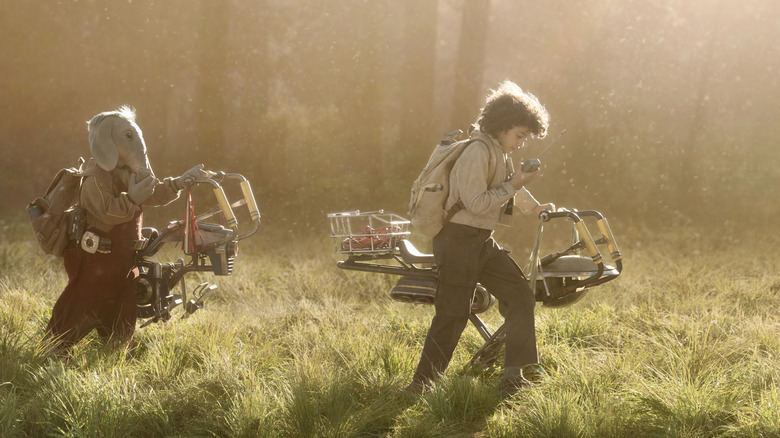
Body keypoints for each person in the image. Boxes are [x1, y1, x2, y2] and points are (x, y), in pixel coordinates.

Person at [406, 81, 555, 395]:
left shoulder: (497, 151)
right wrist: (513, 185)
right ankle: (421, 386)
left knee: (520, 296)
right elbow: (476, 202)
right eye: (519, 136)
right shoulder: (476, 151)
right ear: (502, 126)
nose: (520, 144)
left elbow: (510, 184)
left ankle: (512, 376)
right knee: (452, 314)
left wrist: (535, 206)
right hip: (457, 240)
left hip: (481, 242)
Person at [44, 106, 206, 359]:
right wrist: (131, 198)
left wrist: (178, 182)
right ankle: (57, 346)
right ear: (106, 143)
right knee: (86, 299)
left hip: (125, 258)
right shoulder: (95, 177)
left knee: (123, 303)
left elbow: (153, 192)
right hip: (96, 258)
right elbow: (108, 212)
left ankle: (116, 349)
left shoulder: (127, 171)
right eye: (127, 139)